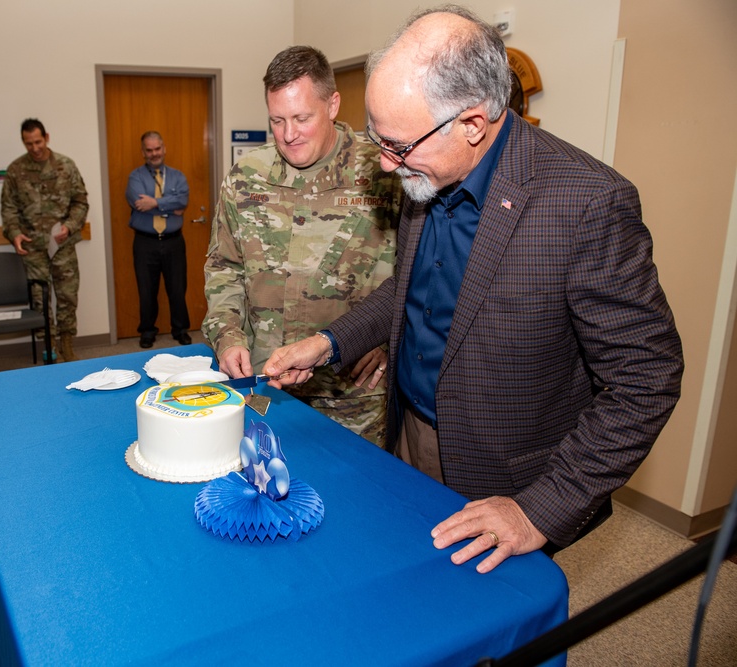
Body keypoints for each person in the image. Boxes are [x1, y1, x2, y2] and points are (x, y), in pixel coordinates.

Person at [263, 5, 684, 573]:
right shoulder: (427, 172)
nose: (387, 165)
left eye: (397, 145)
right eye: (377, 139)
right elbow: (412, 292)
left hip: (504, 476)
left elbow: (646, 379)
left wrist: (537, 511)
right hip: (407, 433)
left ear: (471, 123)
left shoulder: (586, 204)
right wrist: (328, 343)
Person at [202, 46, 402, 445]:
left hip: (352, 392)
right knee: (262, 488)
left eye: (301, 118)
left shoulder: (385, 173)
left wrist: (390, 339)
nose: (288, 134)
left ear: (332, 104)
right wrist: (227, 335)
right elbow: (224, 266)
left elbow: (422, 274)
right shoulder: (246, 178)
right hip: (267, 384)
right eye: (277, 120)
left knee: (356, 498)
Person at [1, 118, 89, 362]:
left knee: (67, 297)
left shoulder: (65, 165)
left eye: (38, 141)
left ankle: (67, 345)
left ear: (46, 137)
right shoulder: (15, 170)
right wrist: (14, 233)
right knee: (40, 300)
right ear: (23, 142)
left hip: (63, 246)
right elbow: (8, 209)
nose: (35, 148)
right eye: (29, 143)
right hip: (33, 247)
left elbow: (81, 202)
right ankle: (48, 347)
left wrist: (69, 227)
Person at [126, 131, 192, 348]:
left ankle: (180, 329)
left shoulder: (177, 176)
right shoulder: (136, 177)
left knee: (177, 288)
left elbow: (183, 200)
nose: (154, 154)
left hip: (173, 241)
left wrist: (154, 203)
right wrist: (171, 206)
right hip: (146, 242)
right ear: (143, 151)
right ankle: (147, 331)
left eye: (157, 149)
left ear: (164, 149)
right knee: (146, 290)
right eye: (149, 150)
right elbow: (137, 202)